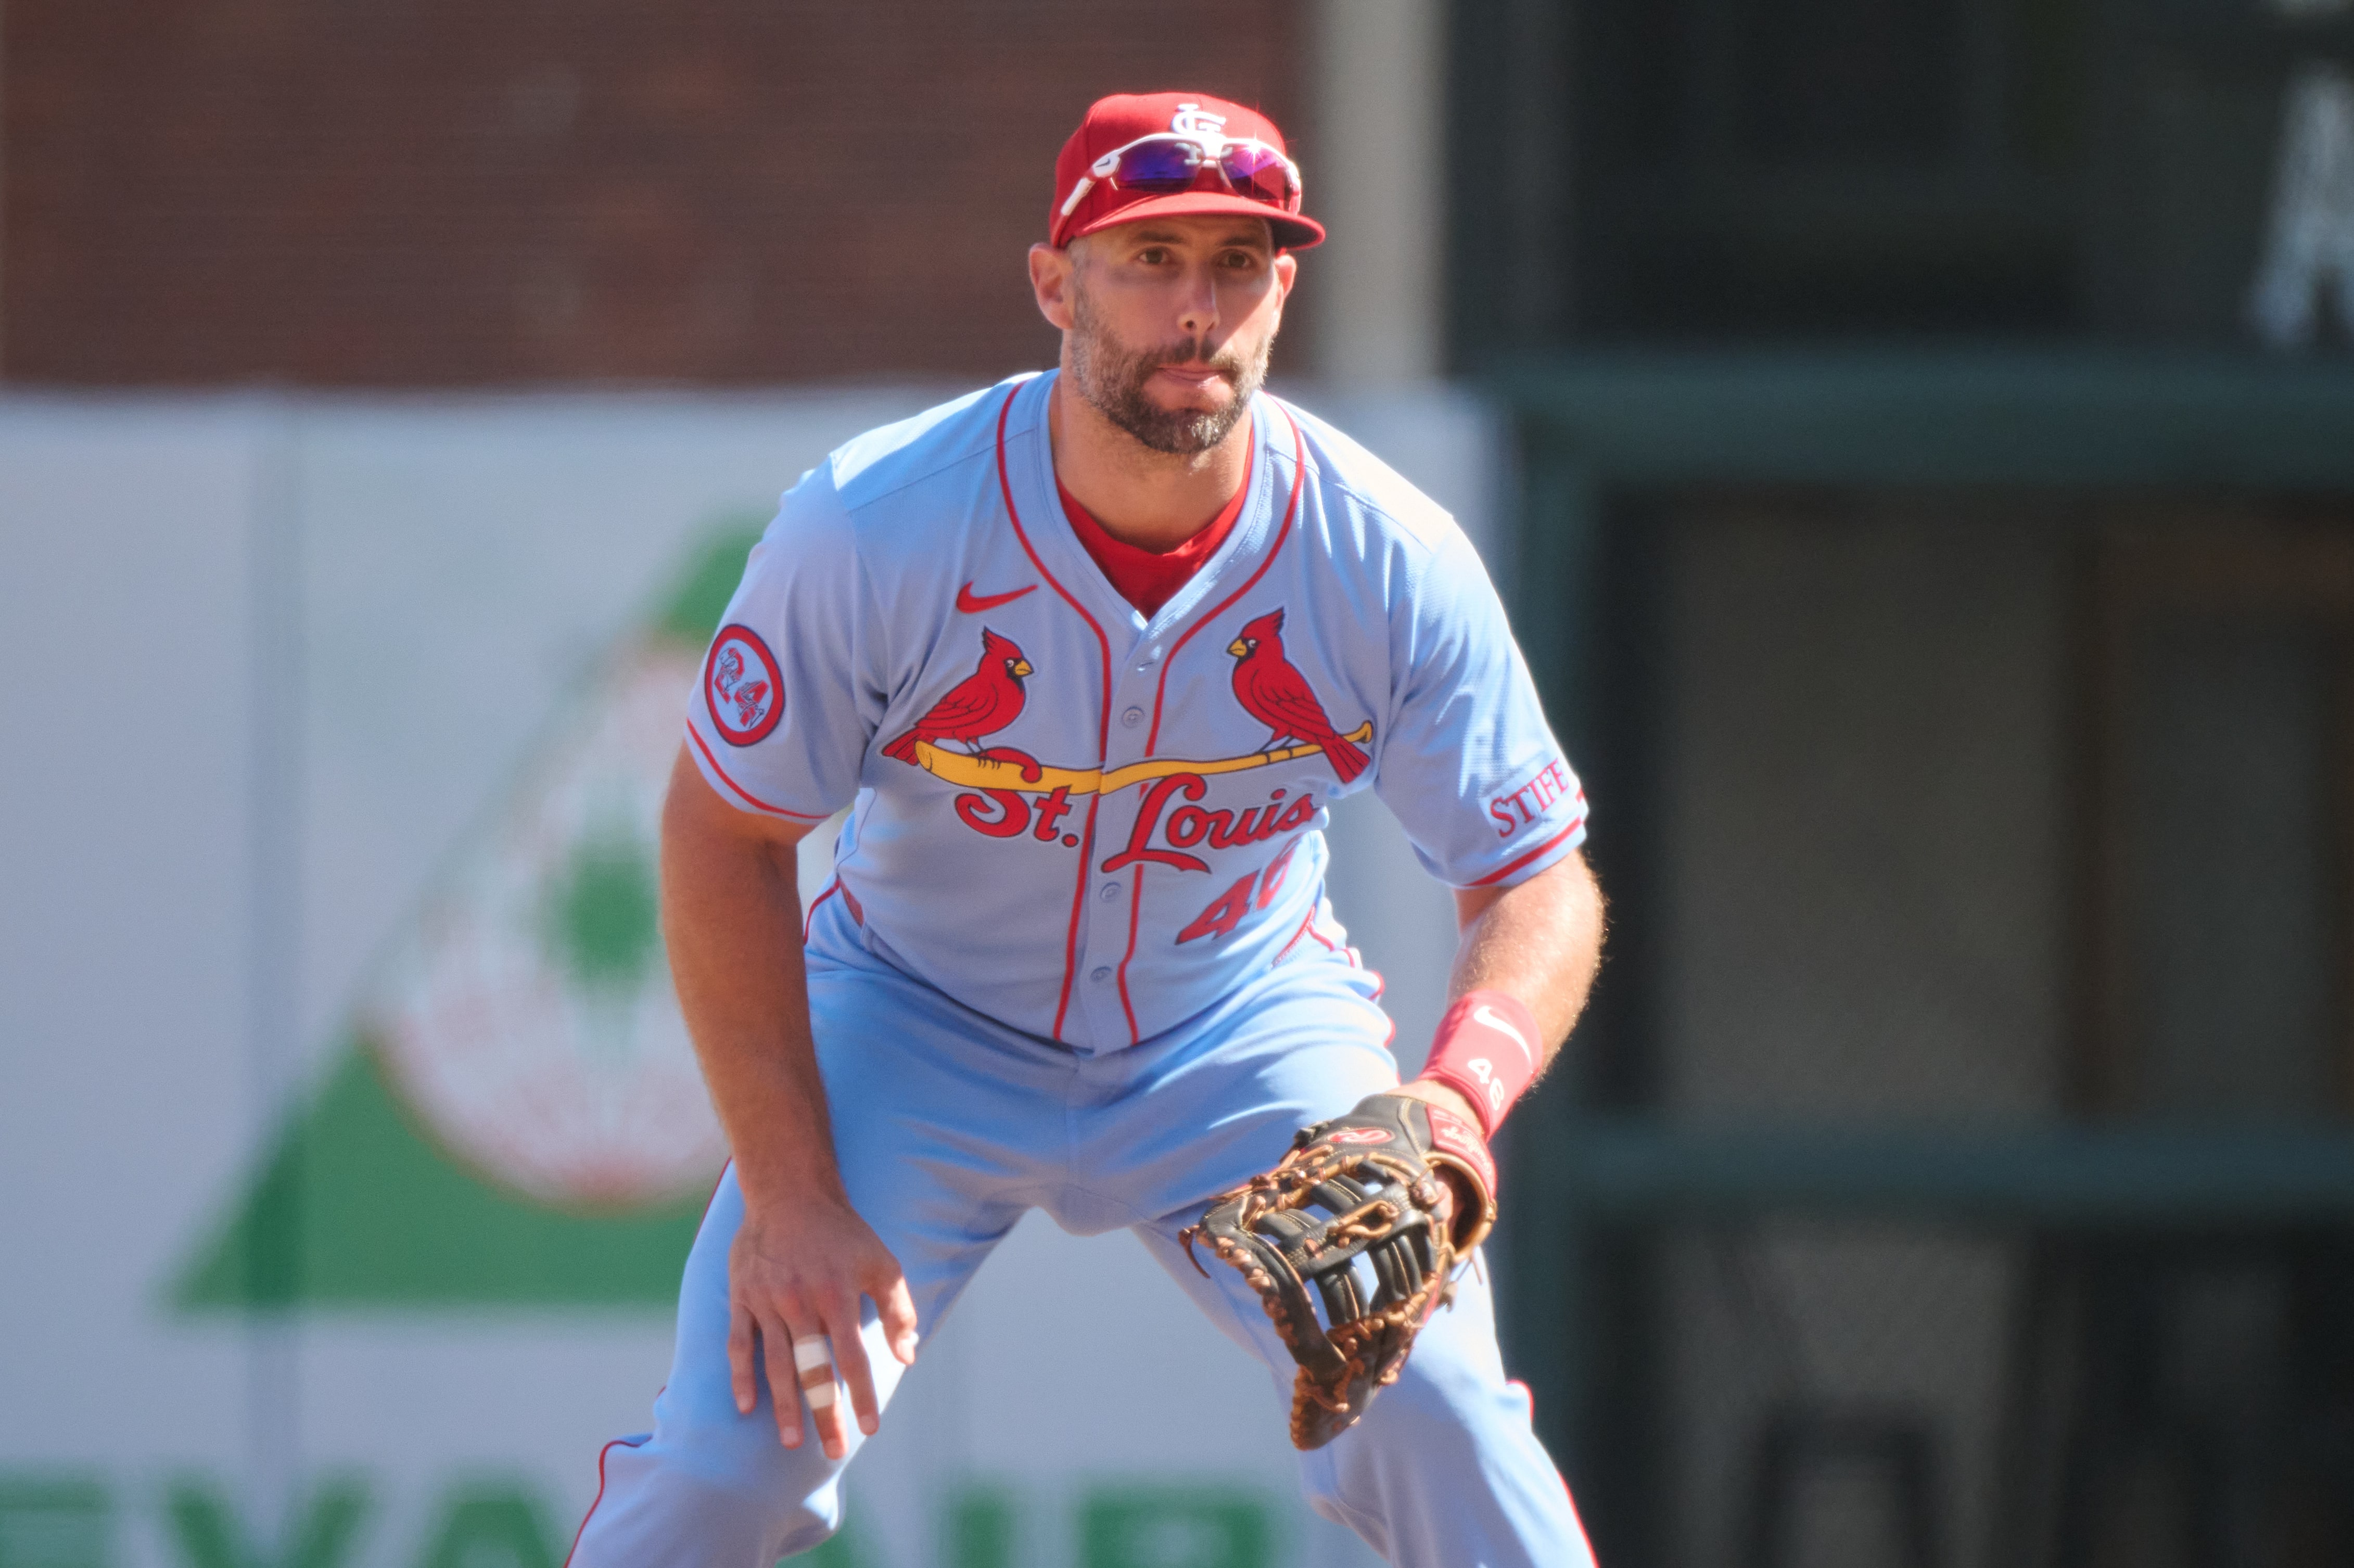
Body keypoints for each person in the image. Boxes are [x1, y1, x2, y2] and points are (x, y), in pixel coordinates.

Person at [566, 90, 1605, 1567]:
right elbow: (722, 834)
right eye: (1150, 257)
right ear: (1054, 281)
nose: (1197, 310)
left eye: (1237, 263)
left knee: (1438, 1409)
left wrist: (1454, 1100)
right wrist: (792, 1196)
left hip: (1235, 1022)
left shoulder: (1381, 554)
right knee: (733, 1462)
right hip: (915, 1019)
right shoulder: (880, 523)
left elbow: (1533, 873)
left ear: (1282, 290)